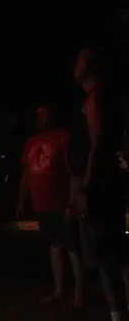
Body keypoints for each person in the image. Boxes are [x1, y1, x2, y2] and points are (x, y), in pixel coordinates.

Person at [73, 48, 129, 321]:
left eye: (80, 59)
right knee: (115, 250)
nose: (75, 64)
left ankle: (118, 313)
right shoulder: (106, 97)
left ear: (91, 67)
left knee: (106, 254)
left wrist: (86, 184)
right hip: (109, 181)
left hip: (101, 183)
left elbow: (97, 144)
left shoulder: (96, 98)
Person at [17, 106, 84, 307]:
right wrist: (22, 197)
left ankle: (79, 293)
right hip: (41, 202)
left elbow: (73, 169)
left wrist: (72, 200)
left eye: (45, 114)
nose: (42, 118)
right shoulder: (31, 143)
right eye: (38, 115)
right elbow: (27, 173)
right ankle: (59, 290)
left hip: (61, 201)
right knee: (54, 245)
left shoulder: (63, 138)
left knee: (72, 246)